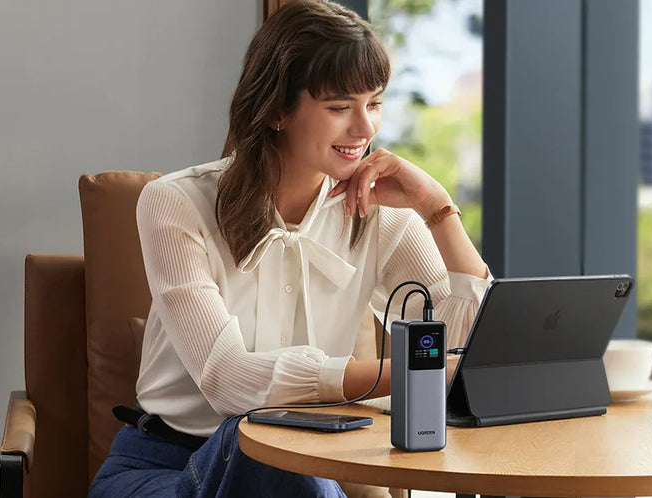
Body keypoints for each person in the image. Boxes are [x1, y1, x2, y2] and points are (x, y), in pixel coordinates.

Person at [88, 1, 491, 496]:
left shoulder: (383, 213)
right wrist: (408, 372)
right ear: (278, 109)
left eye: (376, 103)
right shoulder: (175, 204)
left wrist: (438, 210)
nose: (365, 129)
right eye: (340, 107)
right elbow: (229, 381)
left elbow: (466, 347)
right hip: (168, 471)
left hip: (306, 465)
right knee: (267, 441)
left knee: (288, 457)